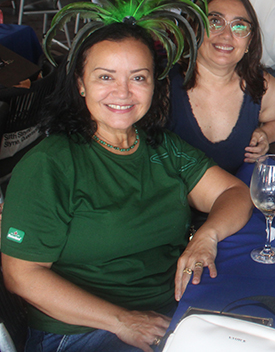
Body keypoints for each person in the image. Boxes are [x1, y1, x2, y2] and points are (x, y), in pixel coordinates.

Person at [1, 21, 253, 351]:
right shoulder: (49, 164)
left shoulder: (163, 147)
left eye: (138, 78)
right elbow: (21, 275)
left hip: (169, 315)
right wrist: (122, 320)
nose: (123, 92)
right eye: (106, 77)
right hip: (79, 332)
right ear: (81, 84)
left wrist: (207, 236)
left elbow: (234, 193)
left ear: (153, 86)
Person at [169, 0, 275, 174]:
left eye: (239, 26)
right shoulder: (164, 85)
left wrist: (266, 134)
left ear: (249, 41)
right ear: (195, 29)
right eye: (215, 21)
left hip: (239, 192)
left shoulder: (258, 85)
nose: (226, 35)